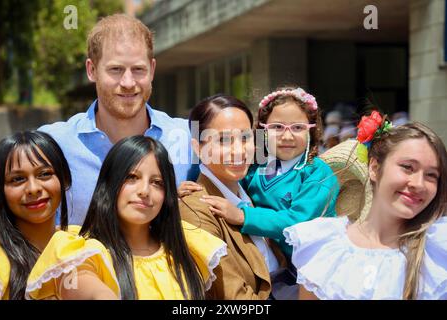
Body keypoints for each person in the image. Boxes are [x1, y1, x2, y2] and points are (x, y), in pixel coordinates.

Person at [38, 14, 197, 225]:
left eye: (138, 69)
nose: (128, 82)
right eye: (116, 69)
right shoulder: (52, 144)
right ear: (91, 70)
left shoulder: (189, 139)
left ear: (152, 70)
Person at [25, 136, 226, 300]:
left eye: (157, 182)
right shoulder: (83, 252)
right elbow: (85, 287)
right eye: (132, 178)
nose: (145, 191)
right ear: (109, 184)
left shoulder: (187, 245)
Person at [284, 111, 447, 300]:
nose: (418, 184)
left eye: (431, 175)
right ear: (375, 168)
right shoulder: (324, 245)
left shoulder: (437, 249)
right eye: (407, 167)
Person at [190, 87, 339, 259]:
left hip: (316, 264)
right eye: (277, 127)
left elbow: (298, 222)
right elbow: (228, 188)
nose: (287, 136)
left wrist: (243, 216)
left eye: (298, 127)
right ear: (262, 130)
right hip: (278, 266)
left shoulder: (318, 173)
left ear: (311, 131)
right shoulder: (254, 168)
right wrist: (191, 187)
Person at [179, 94, 282, 300]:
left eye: (245, 137)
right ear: (198, 148)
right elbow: (232, 297)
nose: (238, 150)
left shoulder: (251, 192)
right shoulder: (194, 209)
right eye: (224, 140)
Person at [0, 131, 71, 300]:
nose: (33, 188)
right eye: (17, 179)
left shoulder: (83, 245)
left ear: (65, 179)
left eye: (44, 174)